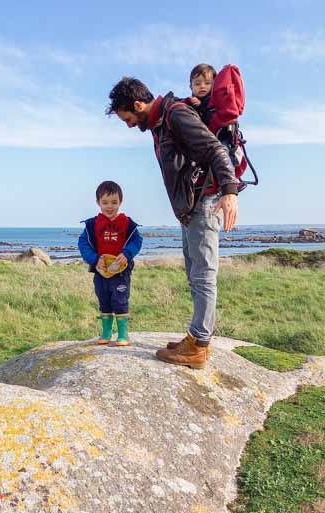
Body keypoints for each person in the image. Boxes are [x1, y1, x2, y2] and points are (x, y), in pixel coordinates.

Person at [106, 77, 239, 369]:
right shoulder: (162, 120)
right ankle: (195, 337)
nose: (128, 125)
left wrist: (229, 192)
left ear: (138, 105)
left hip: (205, 202)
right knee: (194, 274)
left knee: (204, 275)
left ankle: (199, 346)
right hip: (191, 207)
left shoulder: (175, 114)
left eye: (127, 118)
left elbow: (215, 149)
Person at [78, 181, 143, 346]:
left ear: (120, 202)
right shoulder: (92, 225)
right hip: (101, 271)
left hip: (121, 272)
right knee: (104, 300)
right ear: (98, 202)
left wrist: (127, 253)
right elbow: (83, 244)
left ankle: (123, 335)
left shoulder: (127, 223)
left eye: (114, 202)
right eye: (105, 202)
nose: (109, 206)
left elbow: (137, 240)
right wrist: (93, 259)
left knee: (120, 300)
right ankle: (106, 333)